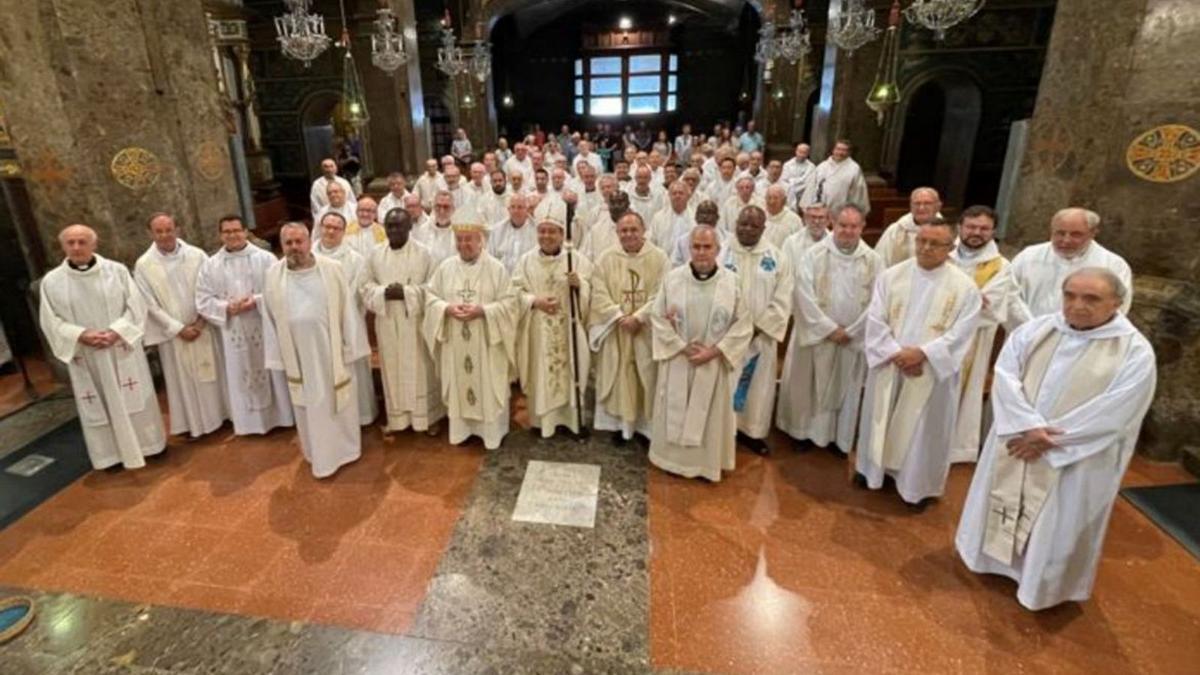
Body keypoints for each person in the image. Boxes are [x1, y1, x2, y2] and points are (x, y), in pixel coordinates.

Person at [955, 268, 1155, 611]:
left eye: (1091, 298)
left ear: (1117, 303)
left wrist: (1048, 440)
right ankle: (988, 561)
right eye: (1070, 295)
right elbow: (1005, 374)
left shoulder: (1134, 351)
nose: (1077, 305)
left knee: (1055, 523)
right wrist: (1026, 425)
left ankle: (1040, 586)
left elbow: (1118, 410)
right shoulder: (1038, 329)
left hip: (1074, 457)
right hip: (1019, 439)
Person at [855, 219, 982, 508]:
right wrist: (895, 353)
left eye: (934, 243)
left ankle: (916, 487)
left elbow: (962, 334)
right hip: (890, 364)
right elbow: (875, 319)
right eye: (921, 241)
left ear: (950, 248)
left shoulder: (965, 288)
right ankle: (872, 471)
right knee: (880, 418)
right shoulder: (891, 276)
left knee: (923, 431)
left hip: (929, 371)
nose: (925, 248)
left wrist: (924, 354)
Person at [40, 224, 166, 470]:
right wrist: (81, 334)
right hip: (86, 354)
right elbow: (50, 321)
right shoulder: (52, 281)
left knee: (135, 398)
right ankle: (109, 457)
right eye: (71, 242)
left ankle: (150, 446)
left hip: (120, 348)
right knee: (97, 405)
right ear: (63, 246)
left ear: (94, 244)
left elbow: (136, 306)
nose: (76, 247)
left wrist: (117, 331)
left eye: (82, 241)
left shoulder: (116, 271)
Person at [262, 223, 369, 478]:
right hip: (298, 356)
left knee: (337, 402)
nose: (294, 247)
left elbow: (347, 312)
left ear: (310, 241)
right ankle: (316, 454)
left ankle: (345, 450)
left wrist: (350, 347)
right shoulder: (273, 275)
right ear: (282, 246)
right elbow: (269, 318)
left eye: (299, 241)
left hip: (330, 352)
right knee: (309, 407)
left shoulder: (332, 270)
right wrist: (277, 356)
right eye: (288, 243)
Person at [648, 225, 753, 481]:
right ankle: (671, 460)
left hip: (712, 363)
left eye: (707, 247)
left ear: (717, 250)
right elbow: (657, 317)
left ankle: (705, 465)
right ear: (688, 248)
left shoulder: (732, 282)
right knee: (674, 408)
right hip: (679, 360)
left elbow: (743, 325)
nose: (702, 252)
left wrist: (714, 352)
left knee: (709, 415)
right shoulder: (672, 279)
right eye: (696, 246)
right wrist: (681, 347)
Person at [777, 205, 884, 452]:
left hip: (851, 340)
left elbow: (879, 301)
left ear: (862, 227)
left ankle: (840, 438)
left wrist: (853, 331)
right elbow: (802, 294)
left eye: (853, 226)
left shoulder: (874, 261)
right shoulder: (813, 255)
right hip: (817, 338)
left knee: (846, 388)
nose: (847, 231)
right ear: (833, 224)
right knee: (808, 386)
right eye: (842, 225)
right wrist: (828, 329)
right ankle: (802, 433)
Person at [423, 207, 515, 450]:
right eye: (459, 239)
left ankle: (491, 434)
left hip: (486, 342)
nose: (464, 244)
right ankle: (462, 431)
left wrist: (483, 311)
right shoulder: (445, 267)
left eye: (469, 239)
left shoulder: (496, 269)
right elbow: (430, 297)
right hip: (456, 339)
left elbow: (509, 304)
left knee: (487, 385)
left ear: (480, 240)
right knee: (460, 383)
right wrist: (446, 308)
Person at [196, 215, 294, 435]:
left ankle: (280, 417)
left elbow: (280, 290)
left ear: (246, 231)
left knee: (269, 370)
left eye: (236, 230)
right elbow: (203, 300)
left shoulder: (266, 259)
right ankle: (248, 423)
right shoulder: (210, 265)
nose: (232, 235)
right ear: (220, 235)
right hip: (232, 330)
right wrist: (226, 308)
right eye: (227, 232)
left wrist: (256, 301)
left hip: (263, 326)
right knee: (240, 372)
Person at [134, 213, 228, 439]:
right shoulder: (144, 265)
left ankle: (223, 415)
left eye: (169, 229)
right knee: (183, 380)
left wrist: (202, 319)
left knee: (213, 374)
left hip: (202, 326)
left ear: (178, 229)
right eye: (159, 231)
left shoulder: (196, 255)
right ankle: (194, 424)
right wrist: (178, 328)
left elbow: (212, 286)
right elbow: (148, 303)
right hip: (174, 334)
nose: (165, 235)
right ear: (151, 234)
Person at [508, 200, 593, 437]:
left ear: (562, 234)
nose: (546, 236)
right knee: (541, 377)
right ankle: (542, 423)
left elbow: (591, 291)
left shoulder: (577, 260)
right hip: (537, 329)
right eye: (542, 231)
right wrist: (534, 302)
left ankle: (571, 421)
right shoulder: (525, 262)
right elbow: (513, 293)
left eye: (552, 231)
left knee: (571, 374)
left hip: (568, 329)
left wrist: (580, 286)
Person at [362, 208, 445, 434]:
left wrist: (407, 292)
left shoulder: (425, 254)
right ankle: (397, 419)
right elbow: (365, 286)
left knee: (420, 369)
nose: (394, 230)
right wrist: (383, 293)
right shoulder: (375, 254)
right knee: (392, 368)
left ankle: (427, 418)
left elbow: (435, 288)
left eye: (399, 225)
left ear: (410, 227)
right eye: (389, 226)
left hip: (415, 322)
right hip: (387, 320)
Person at [589, 211, 669, 442]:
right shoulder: (605, 258)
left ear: (644, 230)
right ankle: (620, 426)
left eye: (634, 229)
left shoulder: (659, 257)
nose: (629, 234)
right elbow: (598, 291)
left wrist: (640, 317)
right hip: (617, 330)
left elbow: (663, 292)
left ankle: (644, 428)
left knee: (646, 376)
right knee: (619, 376)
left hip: (645, 331)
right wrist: (618, 316)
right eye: (624, 230)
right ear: (617, 233)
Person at [719, 206, 792, 451]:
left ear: (763, 228)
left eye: (753, 226)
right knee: (724, 385)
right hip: (726, 336)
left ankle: (752, 432)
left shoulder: (776, 257)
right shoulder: (721, 252)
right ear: (735, 223)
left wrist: (758, 329)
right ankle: (722, 430)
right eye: (743, 224)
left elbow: (783, 298)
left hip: (760, 339)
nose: (747, 229)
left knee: (757, 387)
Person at [948, 206, 1017, 463]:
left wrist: (956, 304)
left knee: (963, 395)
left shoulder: (1001, 266)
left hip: (973, 341)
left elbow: (992, 305)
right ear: (960, 228)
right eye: (971, 227)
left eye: (983, 228)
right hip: (934, 336)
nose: (976, 233)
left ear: (993, 232)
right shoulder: (943, 253)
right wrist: (973, 299)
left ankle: (953, 448)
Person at [1009, 207, 1133, 322]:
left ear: (1093, 233)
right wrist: (1031, 328)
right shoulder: (1028, 256)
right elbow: (1009, 295)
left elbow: (1117, 307)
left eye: (1076, 234)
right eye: (1060, 233)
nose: (1066, 240)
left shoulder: (1113, 265)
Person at [313, 212, 379, 426]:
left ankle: (361, 415)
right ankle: (328, 415)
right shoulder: (309, 254)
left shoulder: (355, 259)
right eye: (327, 226)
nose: (330, 231)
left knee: (352, 370)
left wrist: (332, 312)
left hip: (347, 325)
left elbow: (355, 293)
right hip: (317, 326)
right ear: (320, 228)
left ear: (344, 232)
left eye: (336, 228)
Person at [875, 188, 942, 267]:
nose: (921, 208)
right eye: (917, 203)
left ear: (938, 206)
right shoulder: (896, 230)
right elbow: (879, 262)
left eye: (927, 203)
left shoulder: (946, 232)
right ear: (911, 206)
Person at [801, 140, 870, 214]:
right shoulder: (822, 167)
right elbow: (812, 187)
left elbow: (858, 192)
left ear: (849, 152)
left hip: (842, 212)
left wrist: (855, 212)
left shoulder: (854, 169)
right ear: (833, 150)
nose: (840, 153)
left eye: (844, 150)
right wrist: (806, 206)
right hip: (820, 210)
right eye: (838, 149)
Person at [488, 193, 537, 274]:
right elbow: (490, 259)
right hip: (502, 281)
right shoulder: (497, 231)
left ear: (527, 210)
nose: (516, 211)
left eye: (520, 207)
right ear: (508, 210)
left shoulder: (536, 230)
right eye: (513, 207)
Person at [649, 181, 695, 254]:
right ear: (669, 196)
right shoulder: (658, 218)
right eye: (674, 193)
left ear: (688, 196)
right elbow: (651, 242)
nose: (677, 196)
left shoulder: (695, 217)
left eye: (681, 193)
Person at [414, 191, 458, 264]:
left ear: (453, 209)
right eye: (438, 206)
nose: (441, 211)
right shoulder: (423, 230)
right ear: (433, 207)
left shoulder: (460, 231)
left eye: (446, 207)